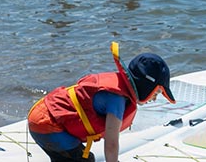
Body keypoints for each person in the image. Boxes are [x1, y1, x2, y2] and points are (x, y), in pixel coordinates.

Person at [28, 43, 174, 162]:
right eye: (156, 92)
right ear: (145, 85)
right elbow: (111, 144)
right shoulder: (116, 100)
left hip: (43, 114)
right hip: (48, 124)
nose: (154, 98)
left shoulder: (117, 86)